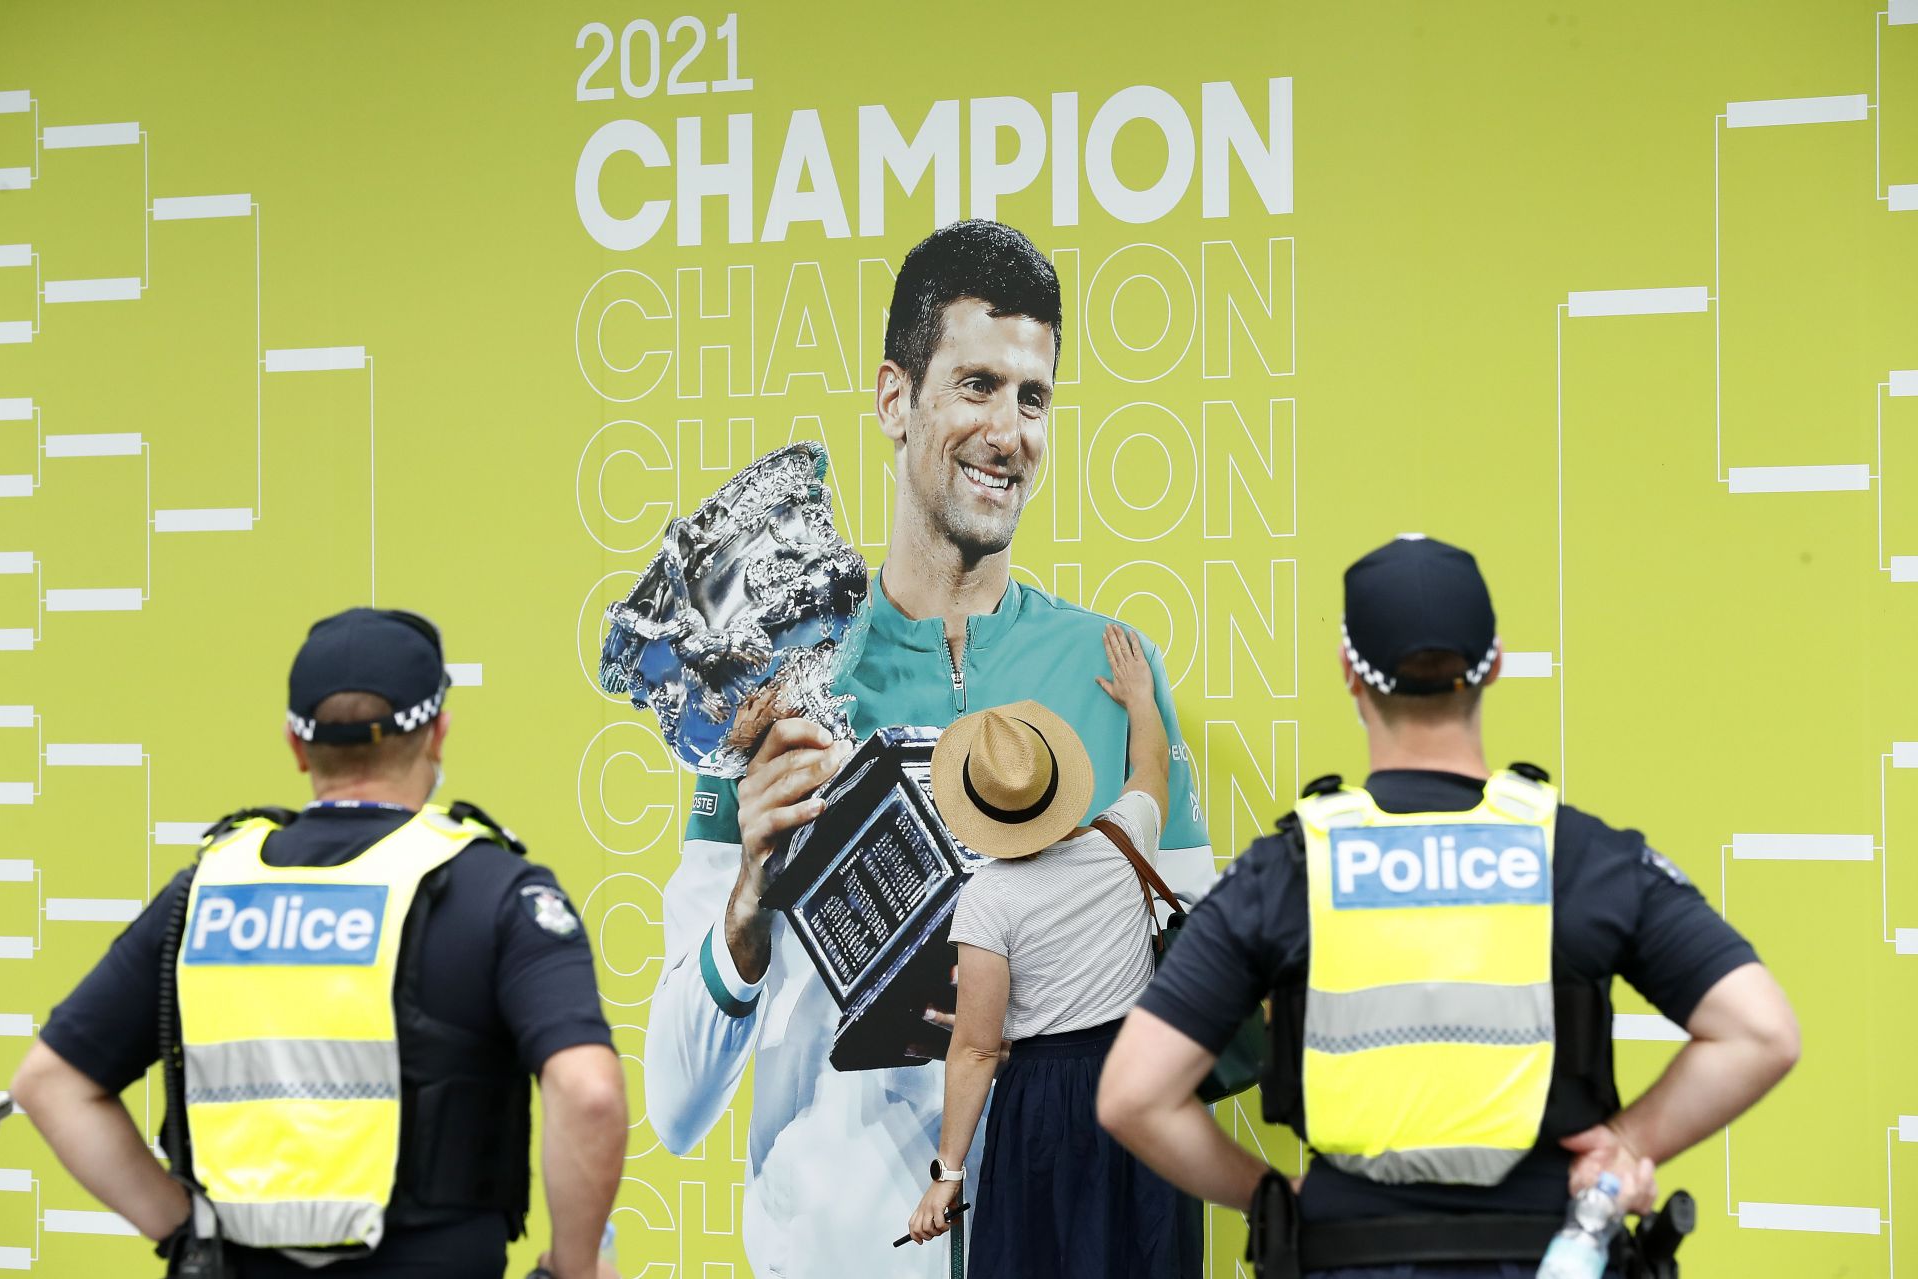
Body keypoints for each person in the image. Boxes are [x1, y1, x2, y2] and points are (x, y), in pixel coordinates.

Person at [644, 219, 1212, 1278]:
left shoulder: (1112, 668)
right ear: (895, 399)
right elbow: (675, 1109)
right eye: (978, 385)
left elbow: (1192, 1008)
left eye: (1033, 397)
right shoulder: (777, 690)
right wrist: (748, 911)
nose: (1010, 430)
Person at [1098, 535, 1802, 1277]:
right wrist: (1629, 1142)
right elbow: (1761, 1032)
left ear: (1349, 672)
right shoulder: (1580, 855)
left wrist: (1271, 1194)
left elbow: (1133, 1095)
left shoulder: (1287, 872)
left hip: (1347, 1253)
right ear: (1494, 663)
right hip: (1552, 1249)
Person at [9, 607, 626, 1279]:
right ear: (438, 734)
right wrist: (576, 1268)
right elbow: (589, 1091)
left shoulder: (205, 892)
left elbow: (51, 1083)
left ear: (297, 745)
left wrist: (191, 1237)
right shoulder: (498, 891)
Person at [905, 628, 1188, 1276]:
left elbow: (975, 1048)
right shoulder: (1126, 837)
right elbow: (1149, 764)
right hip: (1144, 1080)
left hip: (1048, 1102)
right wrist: (1141, 698)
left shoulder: (989, 899)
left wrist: (948, 1174)